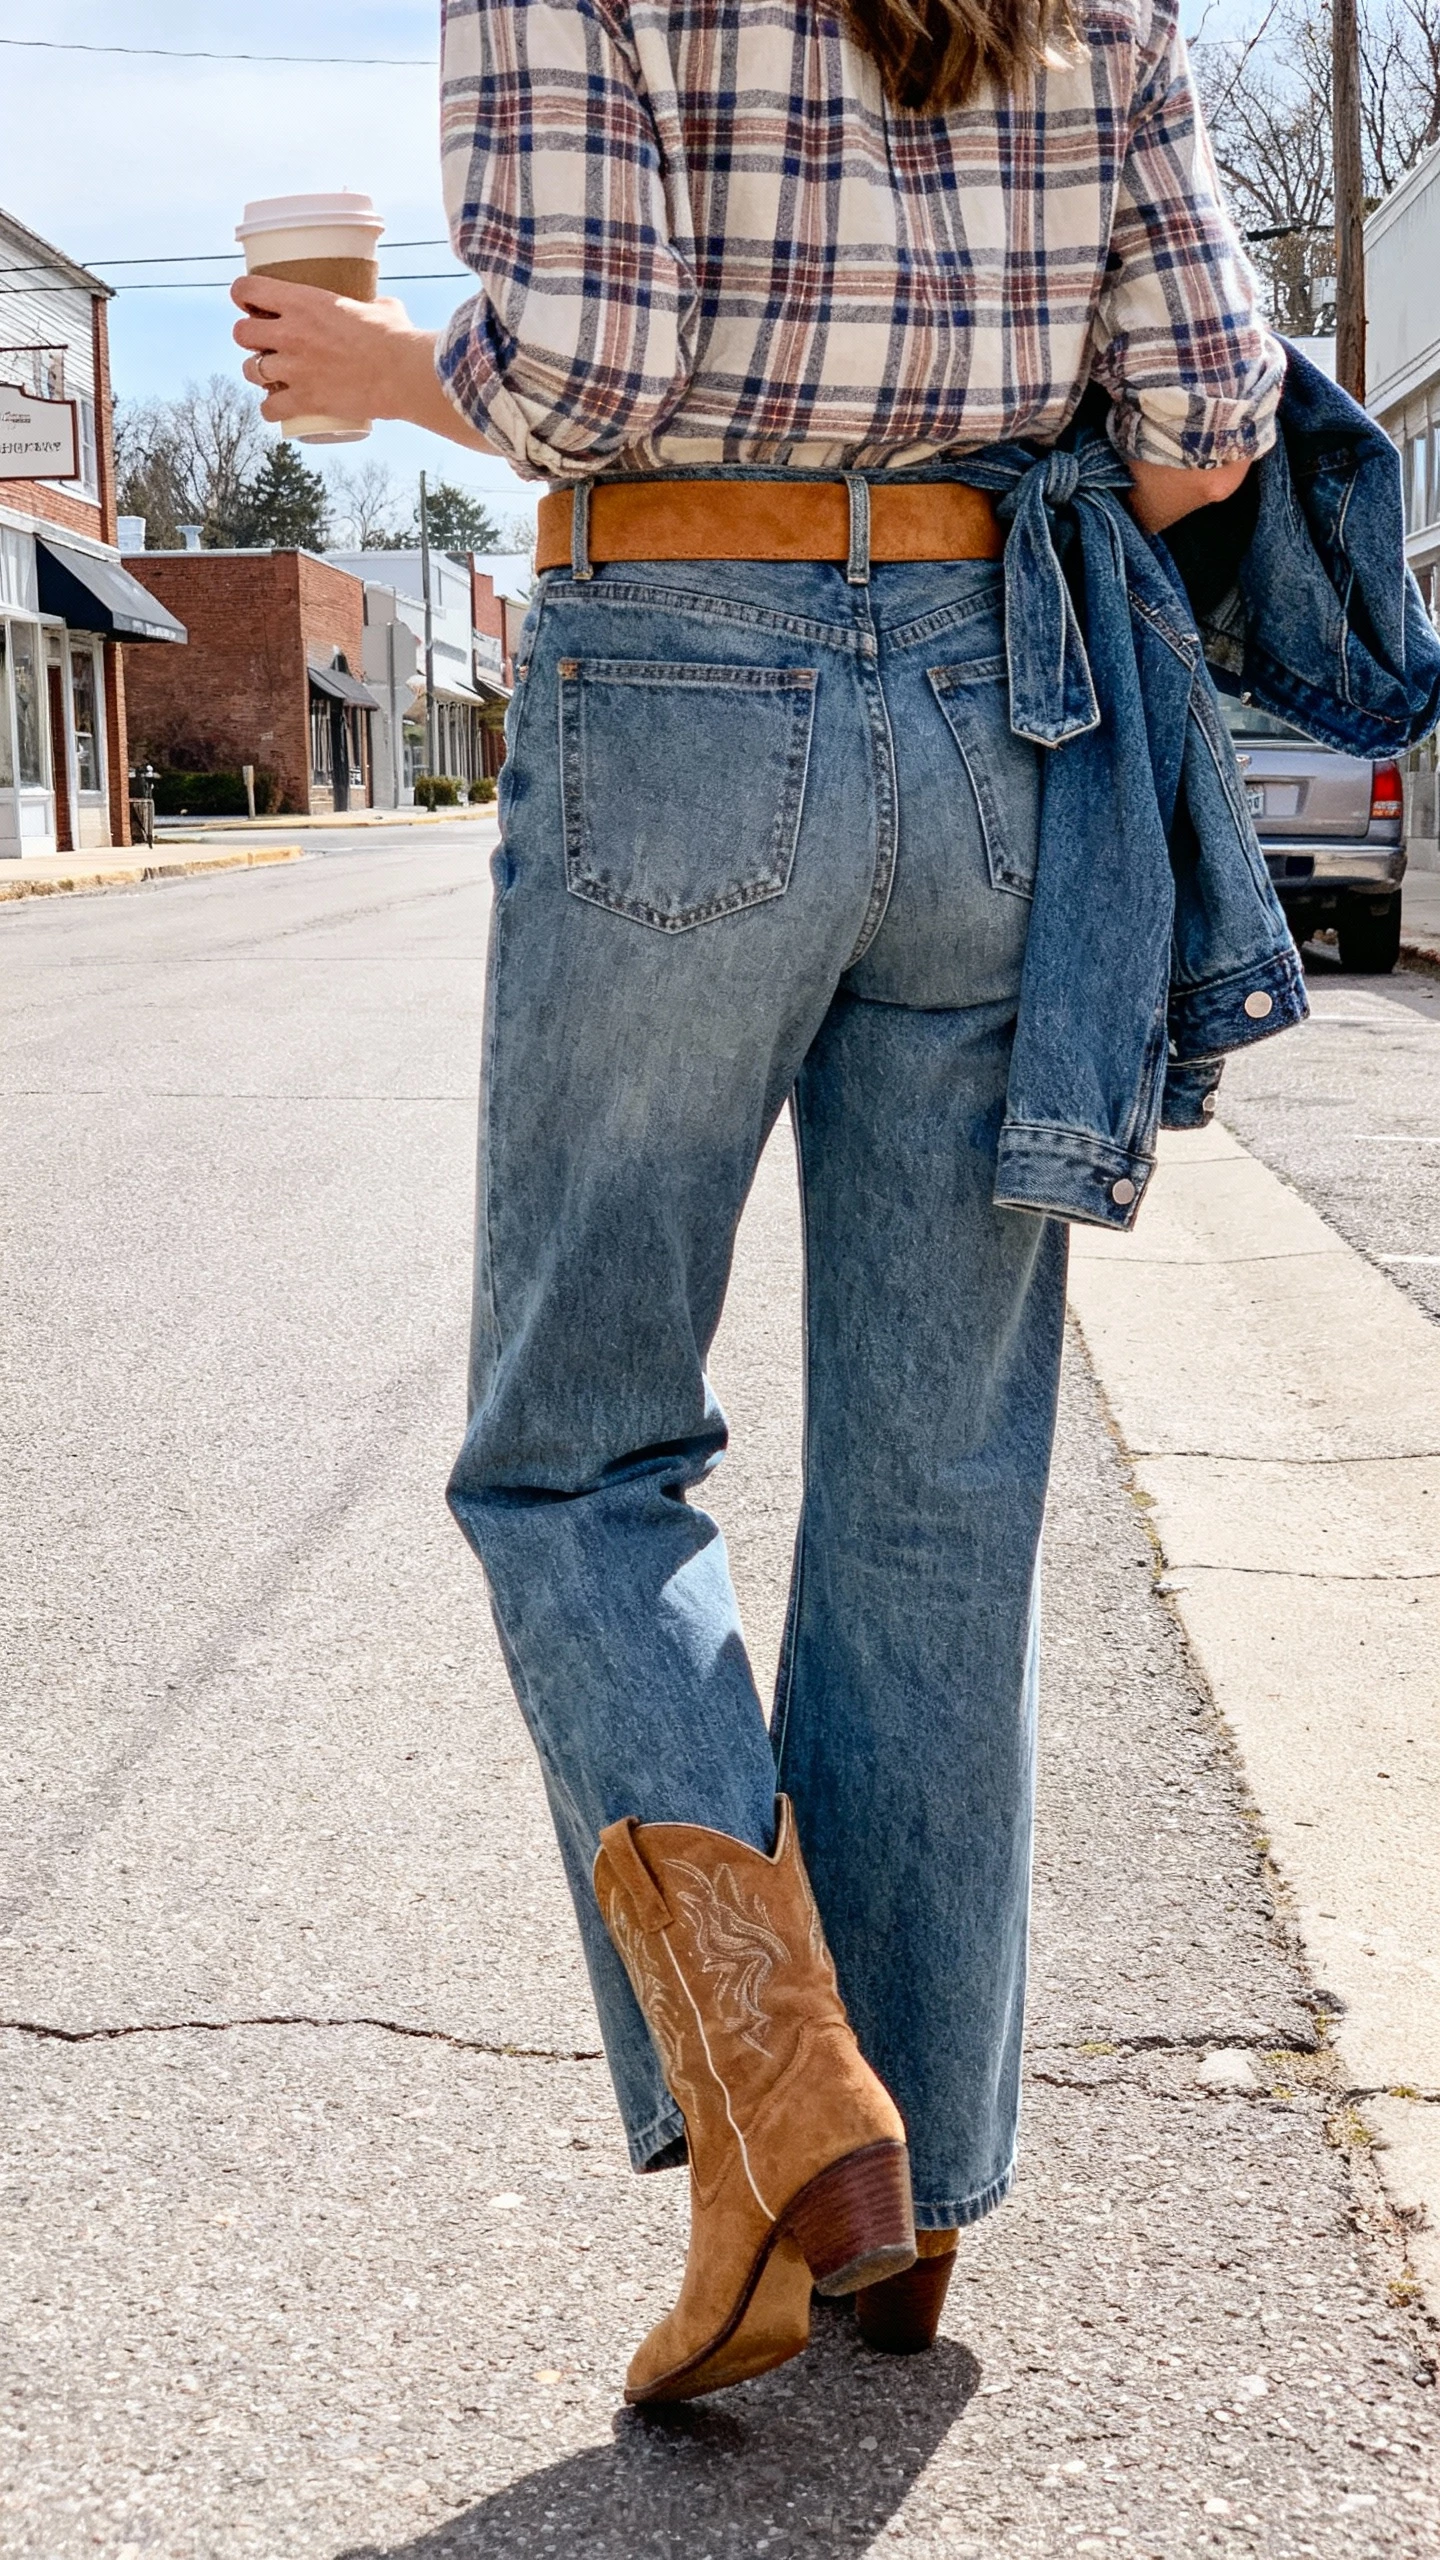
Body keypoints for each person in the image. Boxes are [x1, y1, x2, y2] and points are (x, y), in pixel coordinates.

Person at [234, 0, 1280, 2408]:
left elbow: (590, 373)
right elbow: (1208, 426)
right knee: (941, 1493)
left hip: (683, 684)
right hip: (1006, 711)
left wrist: (397, 371)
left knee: (573, 1449)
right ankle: (897, 2208)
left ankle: (795, 2106)